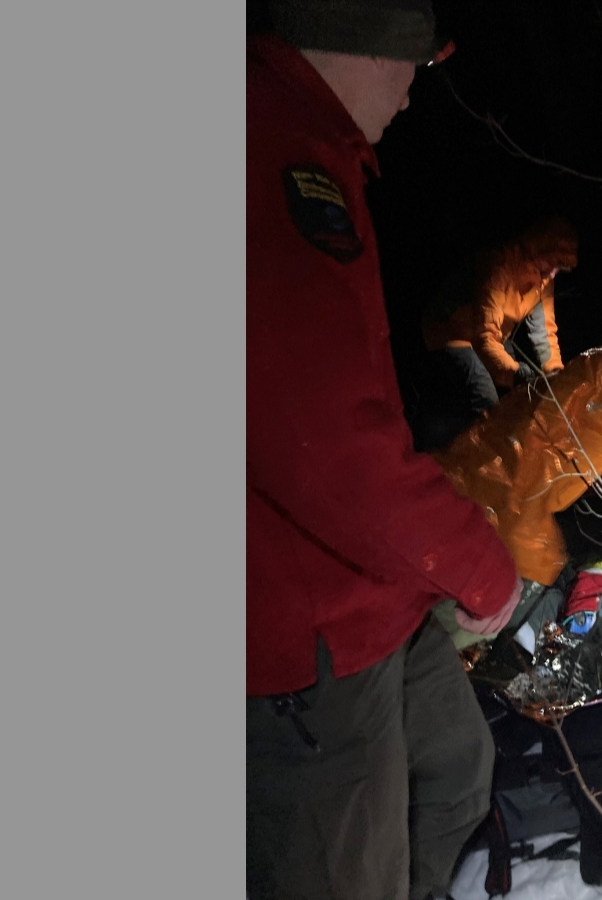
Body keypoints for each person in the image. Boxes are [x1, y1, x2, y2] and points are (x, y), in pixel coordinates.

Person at [246, 3, 523, 899]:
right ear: (362, 42)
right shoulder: (270, 155)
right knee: (343, 867)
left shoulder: (322, 155)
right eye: (416, 64)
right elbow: (325, 446)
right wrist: (475, 561)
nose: (413, 92)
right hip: (307, 637)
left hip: (377, 597)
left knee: (454, 770)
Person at [416, 216, 579, 449]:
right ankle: (478, 462)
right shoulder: (500, 264)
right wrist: (516, 370)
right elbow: (485, 336)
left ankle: (493, 446)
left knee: (512, 394)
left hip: (493, 337)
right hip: (453, 332)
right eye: (551, 264)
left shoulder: (543, 281)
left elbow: (544, 332)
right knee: (486, 398)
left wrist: (556, 375)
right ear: (538, 251)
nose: (553, 274)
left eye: (559, 268)